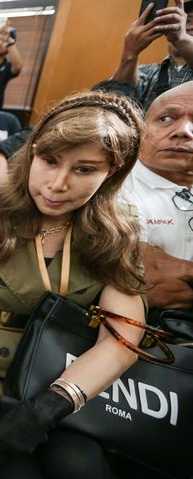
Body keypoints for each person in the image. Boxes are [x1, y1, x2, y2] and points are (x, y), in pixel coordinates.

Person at [0, 90, 145, 479]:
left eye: (84, 169)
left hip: (64, 380)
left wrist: (51, 405)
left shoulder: (116, 231)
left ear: (112, 174)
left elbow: (122, 339)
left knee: (80, 473)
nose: (57, 184)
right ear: (31, 154)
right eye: (49, 160)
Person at [121, 81, 193, 312]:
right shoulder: (116, 188)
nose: (183, 131)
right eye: (166, 119)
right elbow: (152, 289)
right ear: (140, 130)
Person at [113, 0, 193, 111]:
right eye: (186, 20)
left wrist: (181, 38)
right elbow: (112, 104)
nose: (189, 27)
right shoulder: (145, 73)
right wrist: (130, 52)